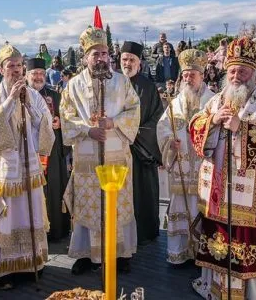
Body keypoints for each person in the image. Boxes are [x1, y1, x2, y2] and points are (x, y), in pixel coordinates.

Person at [189, 37, 256, 299]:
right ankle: (214, 288)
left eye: (242, 71)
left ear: (253, 73)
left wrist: (240, 128)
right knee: (217, 238)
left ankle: (253, 293)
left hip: (252, 194)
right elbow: (195, 127)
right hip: (217, 190)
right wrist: (212, 121)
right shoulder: (215, 101)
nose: (236, 76)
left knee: (246, 241)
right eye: (232, 71)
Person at [60, 25, 140, 275]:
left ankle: (120, 253)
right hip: (87, 158)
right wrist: (87, 130)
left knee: (117, 205)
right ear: (86, 57)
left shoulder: (121, 81)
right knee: (88, 206)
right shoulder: (73, 85)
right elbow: (66, 117)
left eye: (104, 53)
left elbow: (134, 109)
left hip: (116, 156)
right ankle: (87, 255)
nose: (101, 58)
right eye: (96, 54)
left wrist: (114, 122)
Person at [0, 45, 55, 290]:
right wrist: (10, 101)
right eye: (11, 65)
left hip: (29, 166)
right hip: (4, 168)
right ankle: (2, 271)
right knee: (5, 218)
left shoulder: (33, 95)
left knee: (30, 214)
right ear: (1, 69)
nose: (16, 70)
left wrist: (29, 106)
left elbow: (46, 129)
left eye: (19, 65)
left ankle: (30, 264)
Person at [156, 49, 214, 264]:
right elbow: (162, 128)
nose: (188, 79)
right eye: (185, 75)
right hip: (180, 168)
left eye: (193, 75)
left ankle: (203, 255)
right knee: (180, 208)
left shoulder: (212, 101)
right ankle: (178, 253)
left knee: (203, 210)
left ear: (202, 76)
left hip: (204, 169)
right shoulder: (175, 103)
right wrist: (170, 143)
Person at [120, 41, 164, 245]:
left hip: (141, 151)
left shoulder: (148, 87)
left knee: (143, 192)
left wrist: (134, 134)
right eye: (124, 59)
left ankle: (144, 232)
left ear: (139, 63)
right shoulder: (113, 84)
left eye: (132, 60)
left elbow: (157, 119)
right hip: (117, 150)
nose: (127, 63)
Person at [26, 57, 71, 241]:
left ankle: (54, 232)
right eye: (34, 73)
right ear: (26, 75)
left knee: (52, 190)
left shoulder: (56, 95)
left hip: (51, 153)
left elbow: (67, 118)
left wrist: (61, 124)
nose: (38, 77)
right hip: (28, 151)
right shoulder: (20, 94)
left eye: (41, 74)